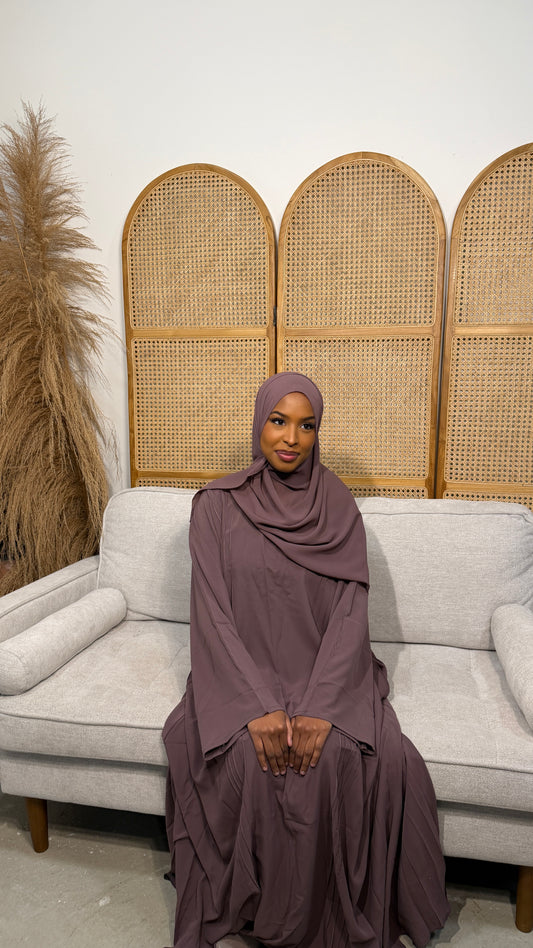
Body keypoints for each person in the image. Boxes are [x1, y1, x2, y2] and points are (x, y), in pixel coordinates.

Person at [163, 372, 449, 948]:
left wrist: (322, 705)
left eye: (306, 425)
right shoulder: (215, 508)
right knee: (247, 757)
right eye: (279, 421)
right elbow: (212, 617)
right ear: (259, 423)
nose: (291, 438)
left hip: (325, 674)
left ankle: (324, 919)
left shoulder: (338, 508)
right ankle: (262, 911)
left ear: (318, 432)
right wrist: (255, 705)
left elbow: (349, 617)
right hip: (238, 676)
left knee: (339, 754)